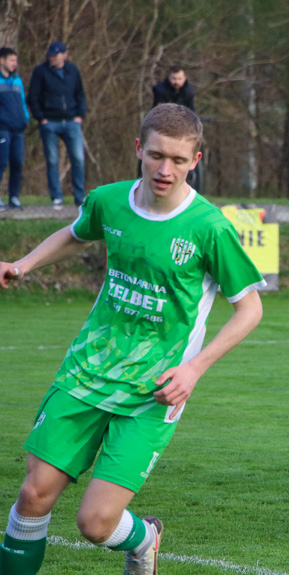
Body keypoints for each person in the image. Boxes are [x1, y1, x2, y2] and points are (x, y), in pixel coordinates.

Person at [0, 103, 265, 575]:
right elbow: (76, 233)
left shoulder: (209, 227)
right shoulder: (109, 200)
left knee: (95, 523)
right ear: (139, 149)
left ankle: (145, 539)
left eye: (179, 160)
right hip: (87, 370)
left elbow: (250, 308)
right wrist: (23, 265)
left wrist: (193, 369)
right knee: (33, 493)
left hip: (154, 388)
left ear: (195, 161)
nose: (166, 169)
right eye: (157, 156)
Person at [27, 41, 87, 208]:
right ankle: (56, 197)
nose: (51, 58)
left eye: (55, 55)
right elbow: (33, 97)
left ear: (64, 56)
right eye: (50, 55)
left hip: (71, 121)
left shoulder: (73, 71)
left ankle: (79, 196)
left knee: (78, 158)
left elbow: (80, 94)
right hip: (50, 122)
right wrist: (41, 118)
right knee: (52, 160)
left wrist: (80, 115)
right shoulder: (40, 72)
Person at [0, 47, 28, 210]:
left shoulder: (17, 80)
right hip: (2, 129)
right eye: (11, 60)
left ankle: (14, 197)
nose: (14, 64)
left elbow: (22, 101)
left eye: (16, 61)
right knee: (1, 162)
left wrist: (25, 118)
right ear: (2, 61)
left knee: (17, 163)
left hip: (18, 129)